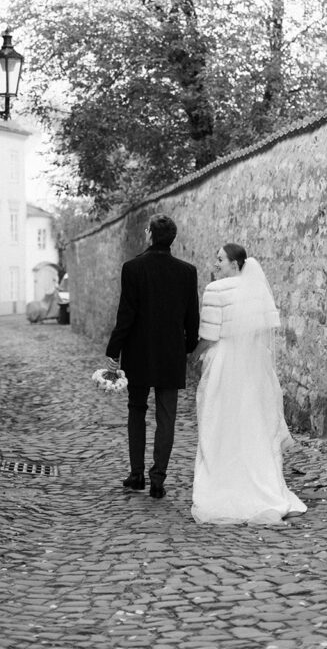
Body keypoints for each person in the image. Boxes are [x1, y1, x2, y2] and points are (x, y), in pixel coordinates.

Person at [191, 243, 307, 525]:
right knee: (253, 423)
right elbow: (263, 332)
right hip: (255, 366)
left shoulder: (215, 291)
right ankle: (264, 484)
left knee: (219, 423)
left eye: (220, 259)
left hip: (224, 365)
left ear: (235, 264)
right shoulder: (257, 290)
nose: (216, 264)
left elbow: (209, 335)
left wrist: (194, 357)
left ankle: (221, 485)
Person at [104, 214, 200, 499]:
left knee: (136, 409)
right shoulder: (187, 271)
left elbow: (127, 313)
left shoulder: (132, 268)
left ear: (149, 235)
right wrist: (189, 346)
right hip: (170, 352)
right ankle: (158, 478)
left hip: (139, 351)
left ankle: (136, 475)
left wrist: (114, 350)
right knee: (166, 415)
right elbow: (191, 315)